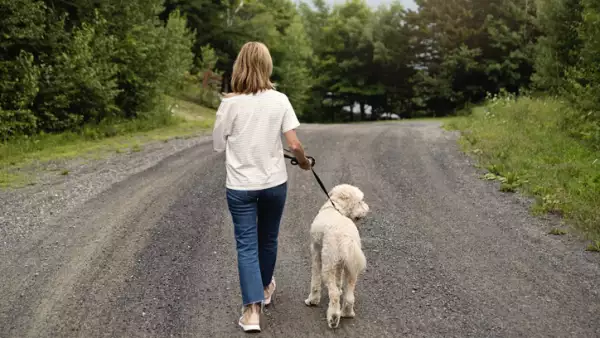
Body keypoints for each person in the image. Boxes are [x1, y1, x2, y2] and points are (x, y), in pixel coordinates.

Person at [212, 41, 311, 333]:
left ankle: (252, 311)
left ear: (239, 67)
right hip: (273, 184)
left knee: (246, 245)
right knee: (268, 239)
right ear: (267, 66)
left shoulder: (229, 103)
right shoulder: (280, 100)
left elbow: (219, 144)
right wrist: (304, 162)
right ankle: (266, 290)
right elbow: (293, 144)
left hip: (241, 186)